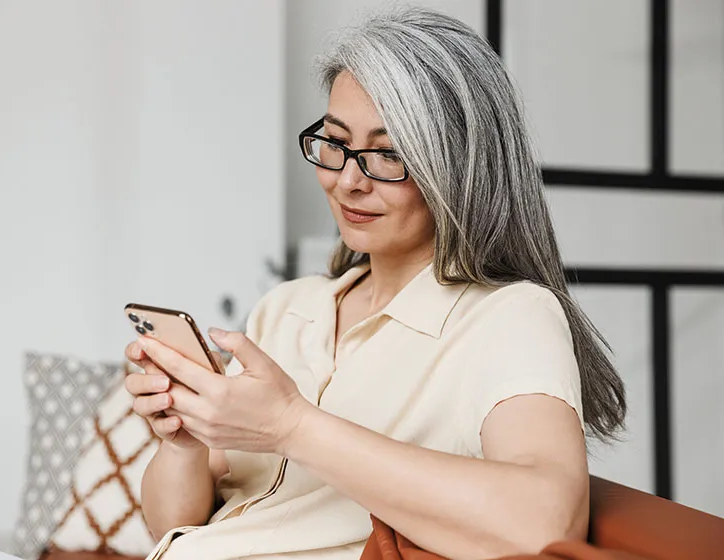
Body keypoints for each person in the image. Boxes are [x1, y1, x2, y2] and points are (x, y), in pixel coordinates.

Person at [123, 7, 626, 560]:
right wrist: (185, 444)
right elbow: (171, 524)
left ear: (457, 168)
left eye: (388, 154)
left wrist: (291, 426)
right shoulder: (287, 309)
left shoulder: (509, 317)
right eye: (335, 143)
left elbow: (545, 522)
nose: (348, 181)